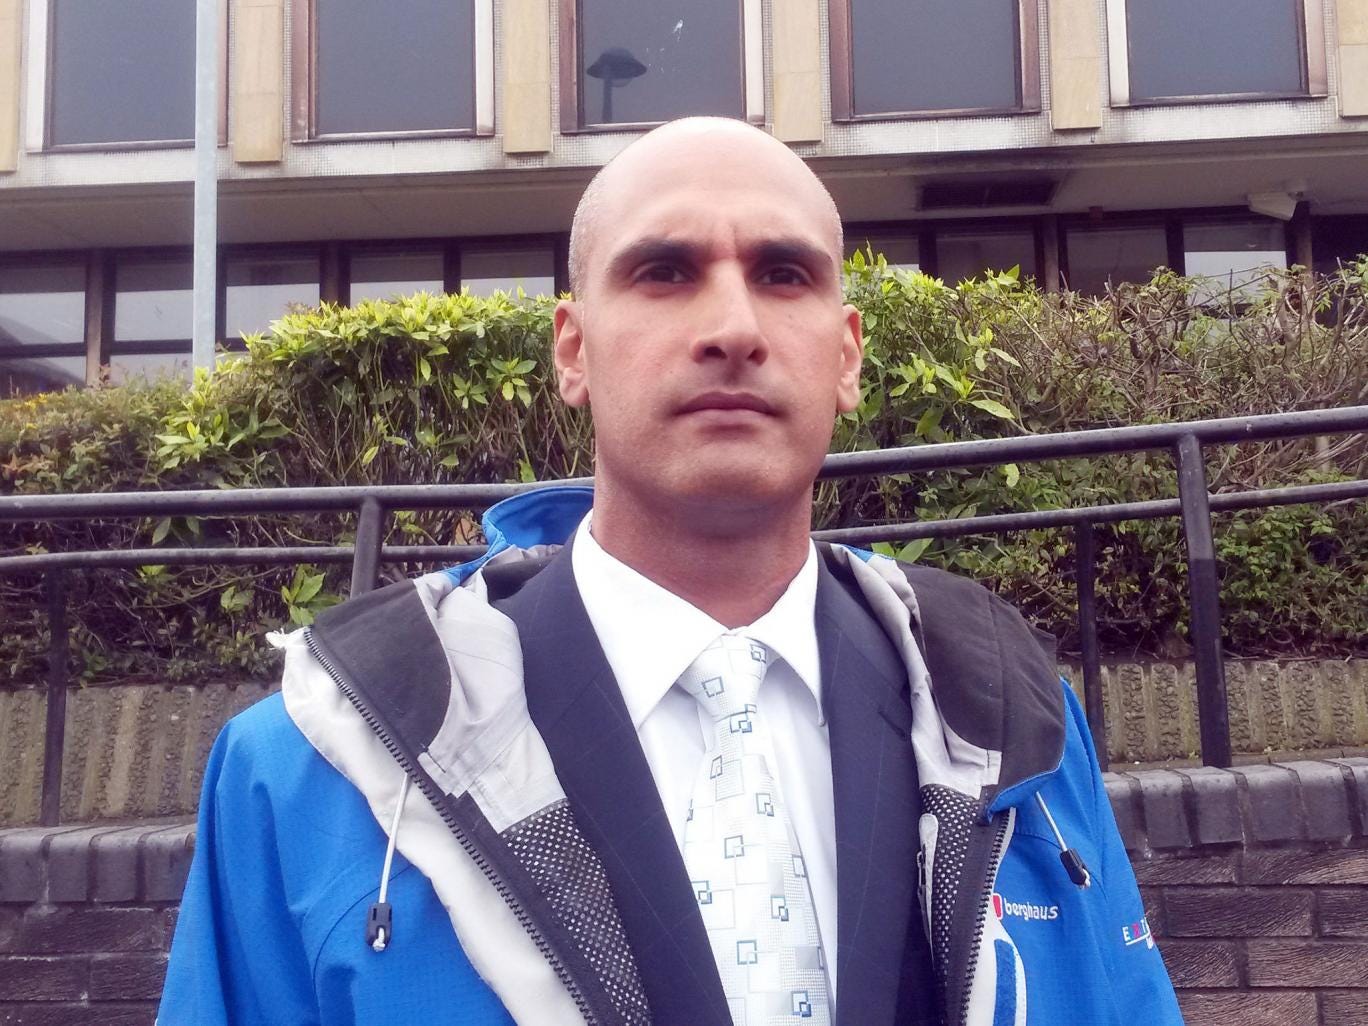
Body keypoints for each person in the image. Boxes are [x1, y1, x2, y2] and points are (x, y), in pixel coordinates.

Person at [158, 117, 1182, 1026]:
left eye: (784, 274)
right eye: (663, 272)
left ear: (848, 354)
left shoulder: (1010, 717)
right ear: (573, 349)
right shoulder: (308, 760)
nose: (732, 328)